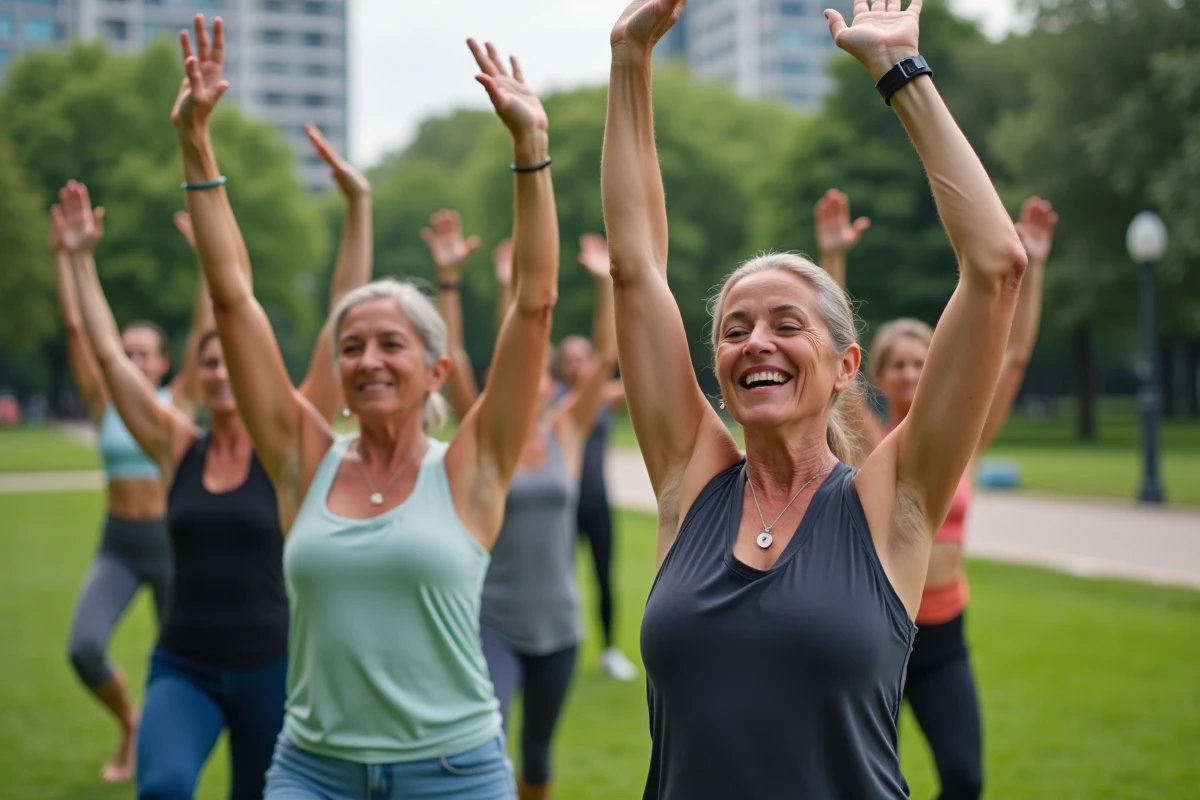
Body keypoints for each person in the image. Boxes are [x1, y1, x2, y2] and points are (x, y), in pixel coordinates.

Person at [602, 0, 1032, 797]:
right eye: (735, 330)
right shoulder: (688, 482)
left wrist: (900, 72)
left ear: (844, 367)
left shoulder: (892, 501)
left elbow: (998, 265)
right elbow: (635, 266)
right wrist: (630, 59)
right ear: (718, 365)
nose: (756, 342)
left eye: (785, 324)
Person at [171, 18, 560, 799]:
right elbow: (233, 297)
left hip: (455, 771)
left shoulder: (473, 467)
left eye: (390, 345)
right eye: (351, 346)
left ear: (436, 369)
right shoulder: (301, 459)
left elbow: (534, 304)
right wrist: (195, 143)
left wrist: (529, 152)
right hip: (313, 770)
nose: (368, 360)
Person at [57, 108, 371, 800]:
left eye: (234, 359)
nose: (225, 369)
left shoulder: (289, 442)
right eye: (211, 362)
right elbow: (110, 357)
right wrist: (79, 260)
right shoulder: (177, 445)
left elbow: (343, 313)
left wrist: (358, 208)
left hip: (270, 665)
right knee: (163, 788)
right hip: (184, 665)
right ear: (199, 376)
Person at [815, 187, 1058, 800]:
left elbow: (1015, 356)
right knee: (863, 784)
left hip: (947, 632)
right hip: (880, 631)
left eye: (922, 362)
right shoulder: (872, 442)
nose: (910, 374)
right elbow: (831, 369)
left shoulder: (962, 440)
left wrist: (1033, 266)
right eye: (897, 364)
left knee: (965, 778)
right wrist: (833, 257)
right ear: (877, 374)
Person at [427, 212, 618, 800]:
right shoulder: (484, 435)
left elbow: (607, 355)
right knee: (490, 743)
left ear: (548, 379)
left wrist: (607, 283)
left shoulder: (567, 430)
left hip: (559, 622)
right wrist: (450, 281)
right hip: (493, 620)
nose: (527, 376)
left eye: (538, 369)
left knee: (536, 755)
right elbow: (452, 355)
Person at [49, 191, 212, 783]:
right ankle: (129, 722)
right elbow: (75, 328)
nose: (135, 360)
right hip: (118, 542)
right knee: (83, 647)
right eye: (128, 351)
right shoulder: (105, 402)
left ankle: (163, 755)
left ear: (164, 365)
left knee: (177, 665)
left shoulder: (179, 404)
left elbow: (206, 326)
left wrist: (204, 256)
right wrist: (67, 259)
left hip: (173, 545)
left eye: (146, 354)